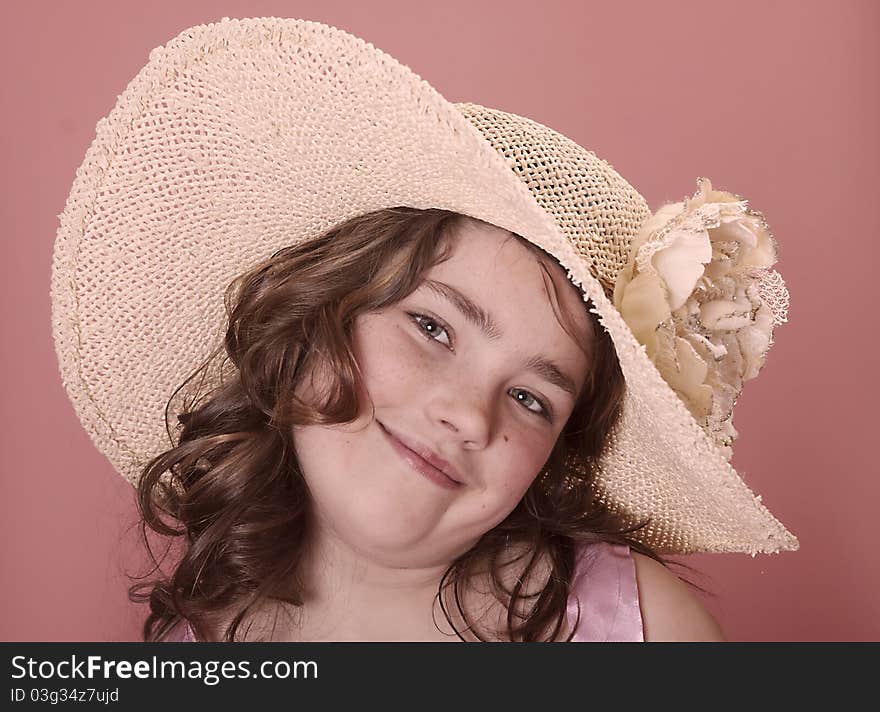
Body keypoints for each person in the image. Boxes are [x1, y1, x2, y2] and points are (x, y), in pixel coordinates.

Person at [50, 17, 797, 643]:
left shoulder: (636, 631)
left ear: (554, 460)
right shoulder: (195, 643)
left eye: (534, 399)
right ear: (313, 315)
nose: (467, 415)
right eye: (433, 328)